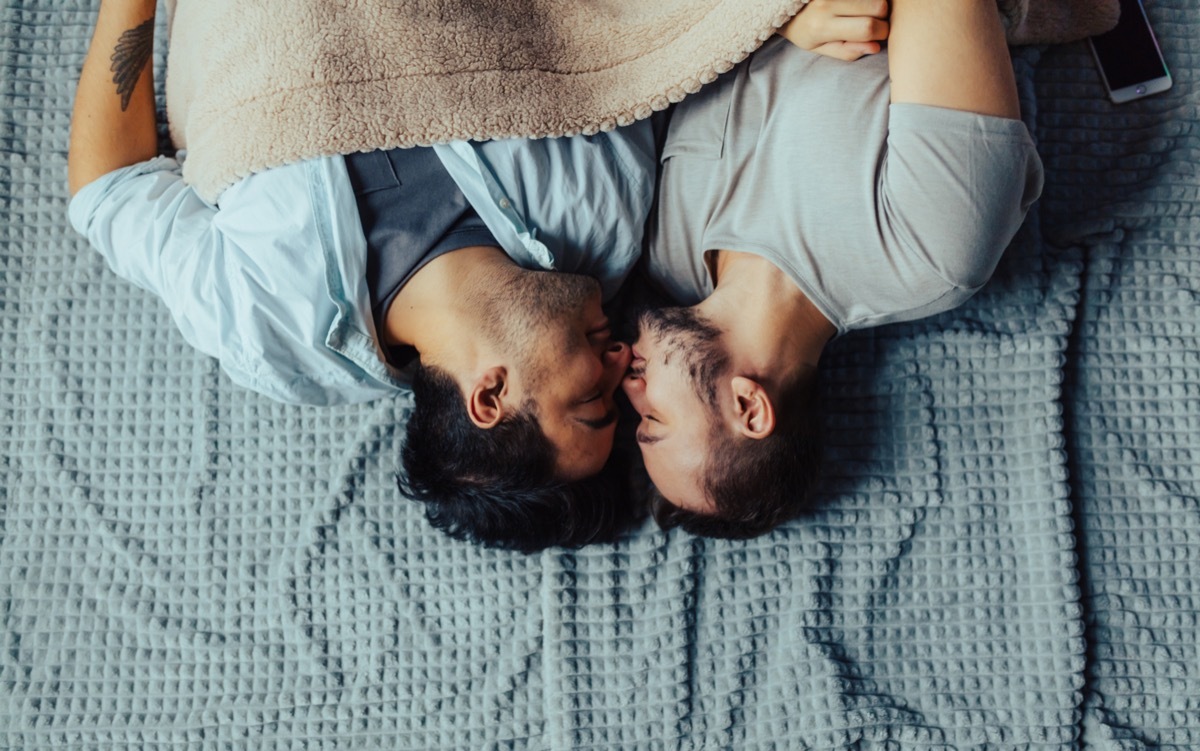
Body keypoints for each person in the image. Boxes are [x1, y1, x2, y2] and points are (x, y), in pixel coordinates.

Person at [66, 0, 655, 552]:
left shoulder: (269, 324)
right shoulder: (601, 210)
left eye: (591, 399)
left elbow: (110, 190)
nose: (622, 361)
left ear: (490, 397)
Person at [622, 0, 1046, 537]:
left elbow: (649, 51)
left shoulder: (668, 254)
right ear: (749, 407)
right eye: (652, 420)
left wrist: (764, 19)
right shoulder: (929, 252)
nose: (629, 387)